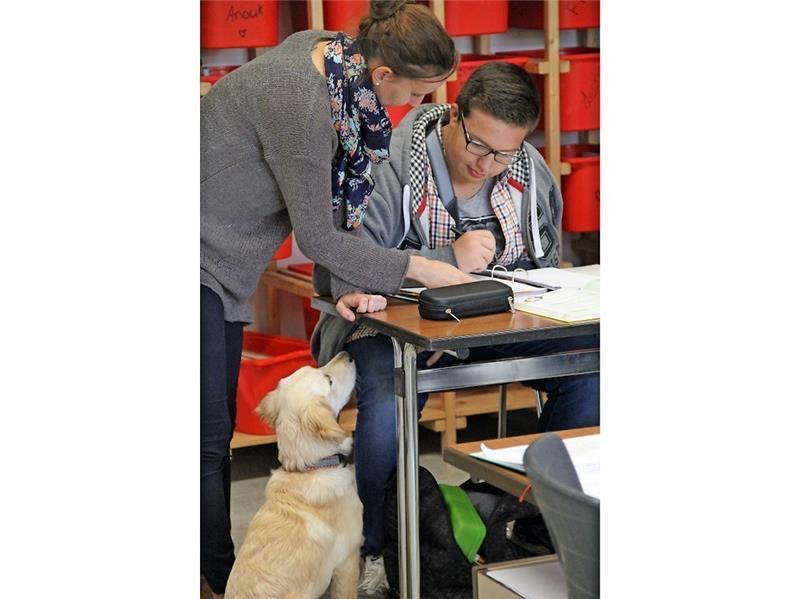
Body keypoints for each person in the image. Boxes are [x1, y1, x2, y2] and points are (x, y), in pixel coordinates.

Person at [200, 1, 474, 595]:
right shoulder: (299, 99)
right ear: (382, 76)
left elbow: (329, 205)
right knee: (204, 439)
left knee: (211, 436)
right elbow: (319, 234)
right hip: (196, 260)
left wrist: (351, 283)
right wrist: (423, 268)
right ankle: (222, 580)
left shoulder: (332, 54)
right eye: (422, 92)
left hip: (220, 267)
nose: (425, 106)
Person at [311, 62, 600, 594]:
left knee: (589, 364)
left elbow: (545, 261)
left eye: (504, 153)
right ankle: (378, 550)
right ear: (453, 114)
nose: (487, 165)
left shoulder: (528, 171)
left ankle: (544, 528)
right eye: (478, 146)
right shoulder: (389, 163)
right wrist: (447, 258)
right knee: (388, 395)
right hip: (398, 324)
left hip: (496, 321)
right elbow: (347, 265)